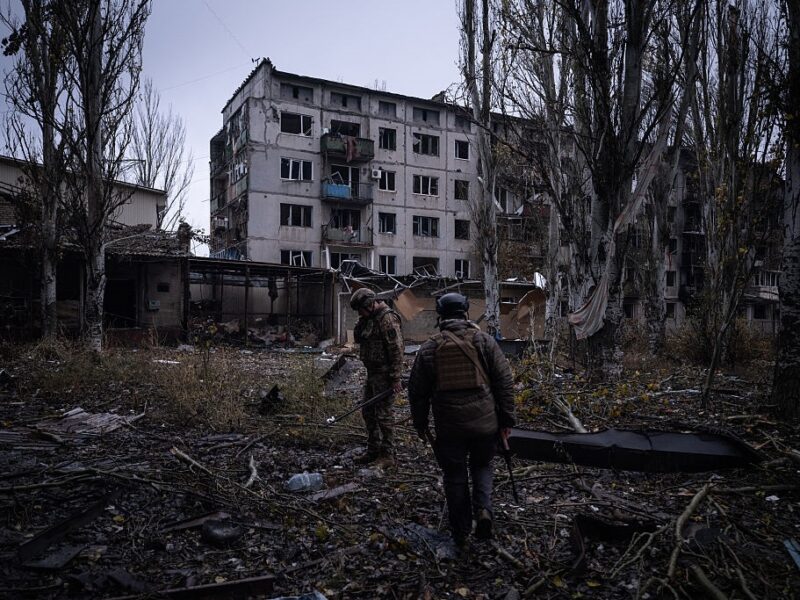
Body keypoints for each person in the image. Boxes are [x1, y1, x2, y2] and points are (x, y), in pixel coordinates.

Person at [408, 292, 515, 550]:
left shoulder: (430, 348)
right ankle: (484, 511)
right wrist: (507, 419)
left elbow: (417, 391)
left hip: (449, 426)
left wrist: (420, 424)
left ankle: (461, 531)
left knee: (455, 475)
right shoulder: (484, 341)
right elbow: (504, 381)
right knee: (482, 466)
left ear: (440, 316)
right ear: (466, 314)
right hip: (485, 423)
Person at [350, 288, 404, 467]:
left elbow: (396, 350)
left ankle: (388, 454)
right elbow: (358, 338)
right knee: (368, 412)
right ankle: (373, 450)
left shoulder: (387, 319)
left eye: (361, 310)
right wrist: (362, 320)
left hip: (384, 375)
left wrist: (396, 378)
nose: (360, 313)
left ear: (370, 304)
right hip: (372, 374)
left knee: (384, 415)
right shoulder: (369, 319)